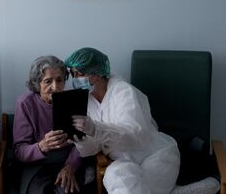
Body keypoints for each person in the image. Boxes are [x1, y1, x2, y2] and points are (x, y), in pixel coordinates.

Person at [65, 47, 180, 194]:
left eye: (79, 73)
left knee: (141, 188)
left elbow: (135, 136)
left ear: (96, 73)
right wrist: (78, 138)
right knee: (115, 175)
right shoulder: (85, 101)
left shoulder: (124, 92)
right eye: (72, 73)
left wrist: (96, 129)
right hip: (125, 163)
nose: (74, 79)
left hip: (157, 156)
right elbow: (94, 148)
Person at [13, 55, 86, 194]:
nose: (55, 87)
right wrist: (42, 146)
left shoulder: (74, 100)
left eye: (59, 80)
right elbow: (19, 151)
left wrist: (71, 166)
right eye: (48, 81)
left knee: (68, 190)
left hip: (68, 162)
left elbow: (81, 141)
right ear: (37, 83)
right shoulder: (25, 103)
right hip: (37, 165)